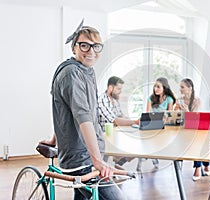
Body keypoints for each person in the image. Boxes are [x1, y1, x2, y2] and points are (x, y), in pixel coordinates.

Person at [47, 20, 126, 199]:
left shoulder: (86, 70)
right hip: (82, 158)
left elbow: (64, 110)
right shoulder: (71, 74)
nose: (91, 51)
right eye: (84, 45)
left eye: (96, 46)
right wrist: (98, 162)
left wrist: (53, 139)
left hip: (89, 153)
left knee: (82, 196)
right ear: (74, 47)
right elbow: (83, 118)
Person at [98, 76, 139, 168]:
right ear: (110, 88)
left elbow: (121, 116)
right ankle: (114, 163)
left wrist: (136, 121)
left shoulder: (115, 101)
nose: (120, 91)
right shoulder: (102, 101)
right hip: (104, 136)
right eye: (119, 89)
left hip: (116, 134)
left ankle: (117, 162)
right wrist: (135, 122)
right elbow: (115, 121)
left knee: (136, 147)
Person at [137, 77, 176, 171]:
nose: (155, 89)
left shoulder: (169, 99)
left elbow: (169, 115)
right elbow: (148, 113)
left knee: (156, 140)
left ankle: (150, 155)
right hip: (152, 124)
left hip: (164, 125)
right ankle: (145, 157)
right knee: (146, 138)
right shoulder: (151, 98)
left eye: (158, 87)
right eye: (155, 86)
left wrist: (163, 120)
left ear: (164, 88)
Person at [175, 78, 210, 181]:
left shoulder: (197, 100)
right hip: (184, 128)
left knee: (197, 142)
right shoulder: (179, 99)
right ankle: (206, 164)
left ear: (190, 88)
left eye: (182, 87)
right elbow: (176, 116)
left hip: (197, 127)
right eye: (180, 87)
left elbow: (194, 118)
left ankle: (198, 167)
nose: (180, 89)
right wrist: (176, 110)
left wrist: (186, 111)